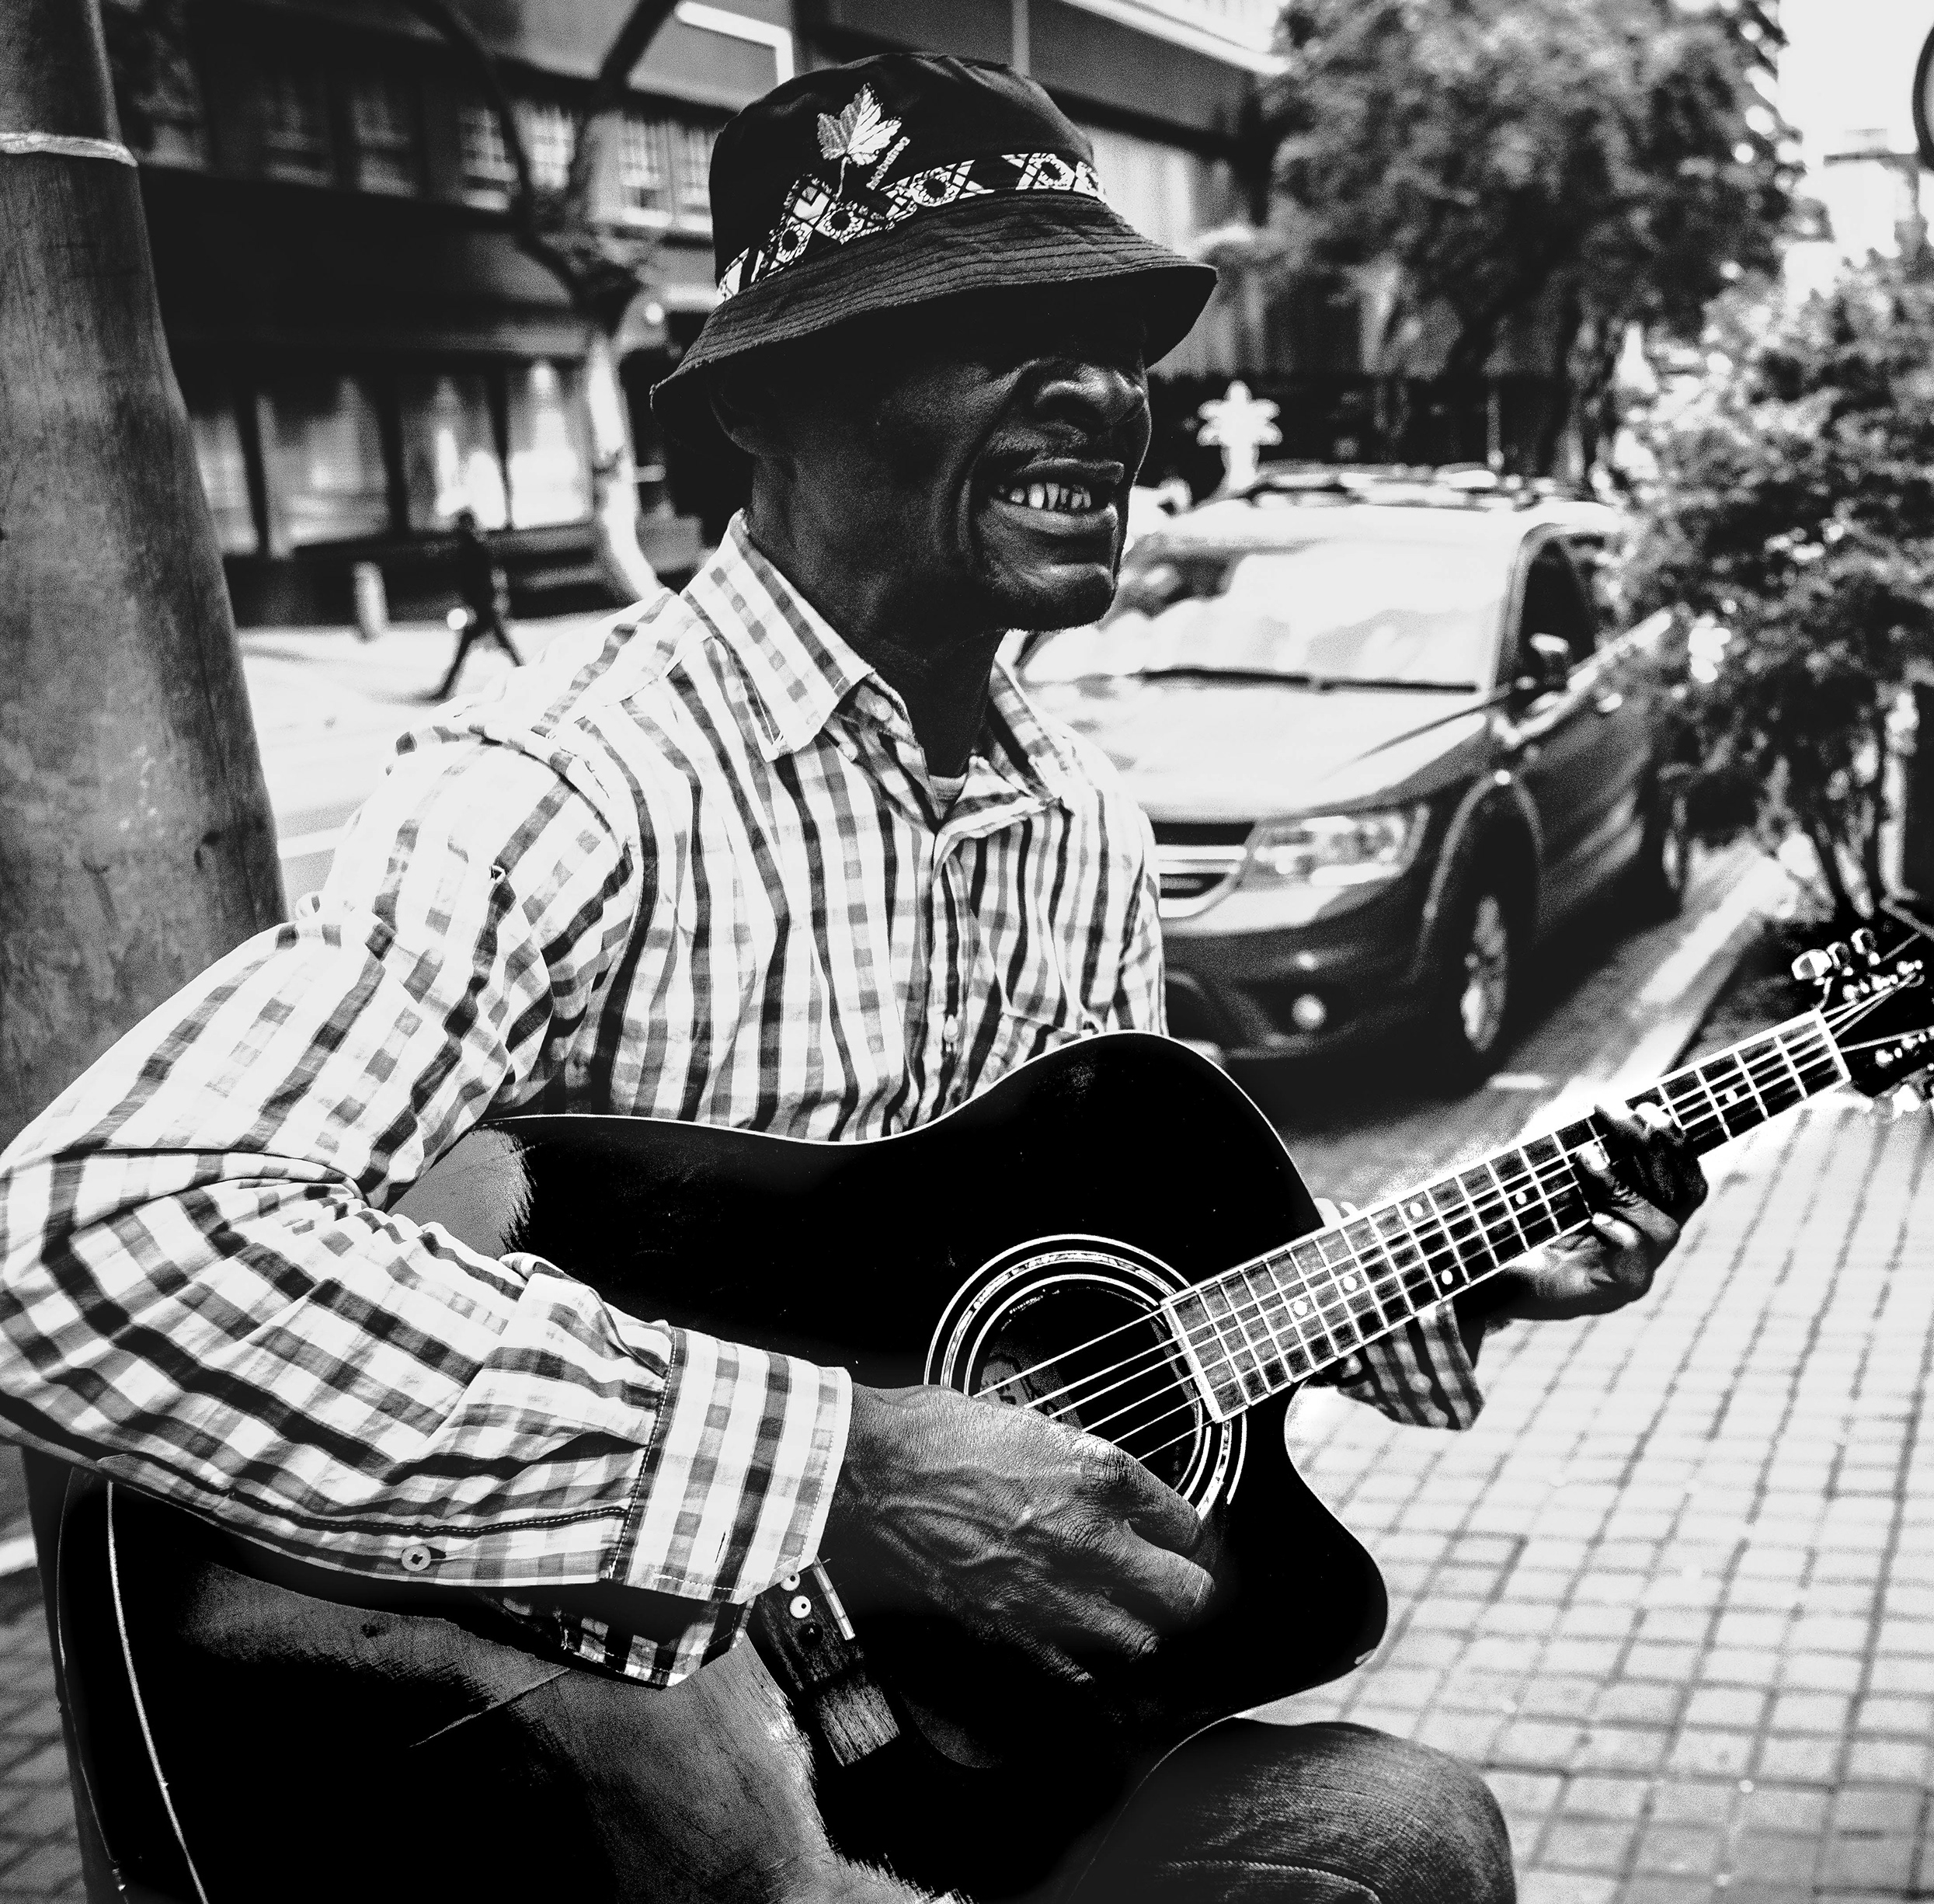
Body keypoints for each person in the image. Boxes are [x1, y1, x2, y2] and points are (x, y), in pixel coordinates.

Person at [0, 54, 1707, 1898]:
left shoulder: (1080, 821)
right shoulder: (568, 787)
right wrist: (831, 1472)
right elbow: (85, 1247)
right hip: (591, 1786)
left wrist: (1449, 1270)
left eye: (1115, 338)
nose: (1101, 392)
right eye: (993, 328)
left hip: (948, 1752)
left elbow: (1084, 1296)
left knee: (1402, 1839)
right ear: (768, 401)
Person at [431, 505, 525, 701]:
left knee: (500, 647)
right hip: (482, 606)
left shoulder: (474, 546)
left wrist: (480, 605)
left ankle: (531, 679)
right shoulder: (474, 544)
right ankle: (446, 689)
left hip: (484, 607)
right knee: (499, 647)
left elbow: (484, 579)